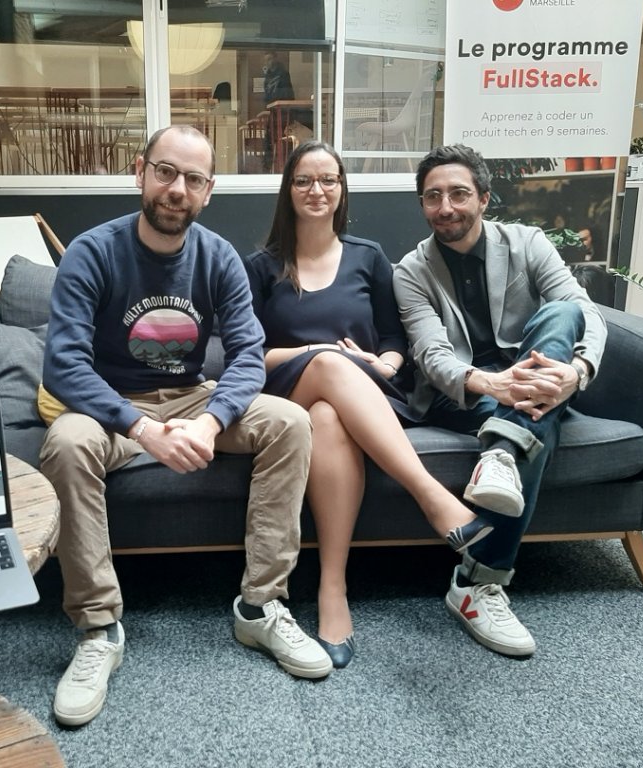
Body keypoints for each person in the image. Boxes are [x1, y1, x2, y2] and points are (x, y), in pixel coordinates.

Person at [38, 125, 332, 727]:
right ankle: (98, 630)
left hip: (193, 398)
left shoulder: (218, 256)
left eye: (193, 179)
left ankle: (261, 609)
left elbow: (249, 352)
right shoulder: (92, 252)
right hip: (112, 405)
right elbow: (64, 365)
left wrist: (210, 420)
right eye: (166, 172)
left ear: (208, 191)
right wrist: (140, 429)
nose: (177, 189)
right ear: (140, 173)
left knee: (290, 422)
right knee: (65, 442)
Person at [244, 140, 493, 668]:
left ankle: (332, 588)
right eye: (304, 180)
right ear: (288, 191)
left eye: (328, 180)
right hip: (285, 388)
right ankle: (431, 496)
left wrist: (386, 366)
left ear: (341, 189)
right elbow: (250, 356)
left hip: (362, 394)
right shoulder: (261, 267)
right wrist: (318, 352)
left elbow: (394, 341)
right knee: (330, 368)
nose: (317, 190)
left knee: (330, 416)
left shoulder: (369, 256)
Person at [393, 144, 607, 658]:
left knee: (560, 315)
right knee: (535, 420)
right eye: (434, 197)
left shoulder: (528, 244)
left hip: (538, 383)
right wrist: (494, 385)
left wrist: (574, 375)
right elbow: (431, 355)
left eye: (459, 193)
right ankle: (478, 578)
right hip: (464, 395)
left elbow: (586, 313)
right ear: (423, 205)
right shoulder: (410, 271)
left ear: (485, 198)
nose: (447, 207)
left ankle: (499, 466)